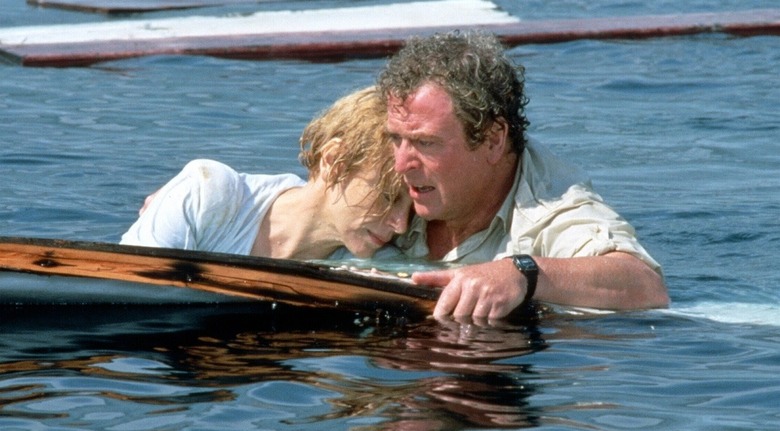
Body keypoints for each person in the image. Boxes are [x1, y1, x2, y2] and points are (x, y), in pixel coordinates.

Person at [377, 31, 669, 319]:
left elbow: (645, 286)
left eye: (426, 143)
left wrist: (522, 273)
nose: (401, 164)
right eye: (395, 139)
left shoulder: (548, 208)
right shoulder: (371, 165)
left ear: (493, 140)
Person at [121, 86, 411, 260]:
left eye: (411, 206)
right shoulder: (207, 197)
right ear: (334, 161)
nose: (400, 224)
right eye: (388, 195)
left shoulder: (379, 258)